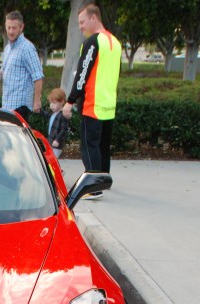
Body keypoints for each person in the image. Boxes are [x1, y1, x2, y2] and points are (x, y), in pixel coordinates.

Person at [62, 3, 121, 196]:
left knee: (89, 145)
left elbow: (82, 74)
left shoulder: (93, 42)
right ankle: (104, 182)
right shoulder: (115, 42)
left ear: (93, 18)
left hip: (92, 104)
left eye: (82, 21)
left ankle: (93, 189)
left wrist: (70, 101)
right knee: (103, 146)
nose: (80, 26)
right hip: (109, 104)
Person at [0, 10, 44, 120]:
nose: (10, 31)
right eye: (8, 27)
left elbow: (38, 76)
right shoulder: (7, 48)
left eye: (14, 28)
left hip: (20, 106)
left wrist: (37, 101)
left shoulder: (27, 48)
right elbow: (6, 71)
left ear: (21, 27)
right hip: (7, 105)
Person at [46, 88, 69, 158]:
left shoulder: (62, 115)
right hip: (51, 141)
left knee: (53, 159)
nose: (51, 105)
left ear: (62, 102)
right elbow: (46, 115)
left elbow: (64, 129)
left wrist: (57, 140)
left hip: (56, 144)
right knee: (50, 159)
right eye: (50, 103)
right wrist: (39, 110)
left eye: (54, 103)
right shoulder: (53, 114)